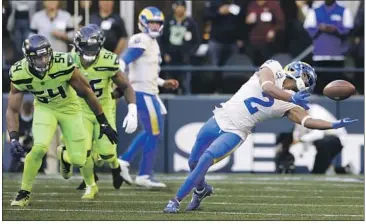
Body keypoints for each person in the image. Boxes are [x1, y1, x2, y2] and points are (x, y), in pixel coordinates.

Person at [163, 60, 358, 213]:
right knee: (193, 162)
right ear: (300, 75)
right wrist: (290, 97)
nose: (305, 86)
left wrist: (333, 125)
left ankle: (176, 200)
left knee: (205, 159)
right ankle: (201, 189)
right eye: (306, 81)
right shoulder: (273, 68)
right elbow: (267, 87)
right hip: (220, 117)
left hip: (236, 131)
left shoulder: (291, 104)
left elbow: (307, 121)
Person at [7, 34, 118, 206]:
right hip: (45, 108)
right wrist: (14, 137)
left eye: (45, 55)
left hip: (70, 109)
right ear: (28, 58)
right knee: (38, 148)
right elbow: (13, 109)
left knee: (79, 160)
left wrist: (103, 121)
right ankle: (24, 193)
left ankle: (64, 156)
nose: (43, 61)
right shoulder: (19, 72)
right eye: (37, 58)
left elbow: (87, 92)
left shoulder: (64, 63)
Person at [58, 24, 137, 199]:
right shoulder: (68, 61)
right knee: (83, 153)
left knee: (107, 153)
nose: (89, 55)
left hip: (105, 107)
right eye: (86, 50)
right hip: (80, 109)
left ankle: (115, 166)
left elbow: (126, 86)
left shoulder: (108, 59)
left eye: (93, 50)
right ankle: (90, 185)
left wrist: (132, 109)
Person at [117, 6, 179, 188]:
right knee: (154, 132)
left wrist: (162, 83)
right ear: (143, 22)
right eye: (151, 22)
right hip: (142, 92)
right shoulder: (142, 39)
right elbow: (123, 60)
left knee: (153, 132)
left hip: (150, 91)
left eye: (157, 22)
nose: (154, 25)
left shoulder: (152, 42)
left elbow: (146, 71)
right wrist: (121, 83)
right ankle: (138, 169)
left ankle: (133, 166)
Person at [159, 0, 200, 94]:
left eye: (182, 6)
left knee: (186, 84)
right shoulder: (168, 21)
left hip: (185, 59)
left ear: (185, 8)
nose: (179, 9)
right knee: (169, 84)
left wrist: (190, 54)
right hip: (170, 58)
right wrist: (164, 53)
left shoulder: (190, 23)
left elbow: (197, 41)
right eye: (178, 6)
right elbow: (161, 40)